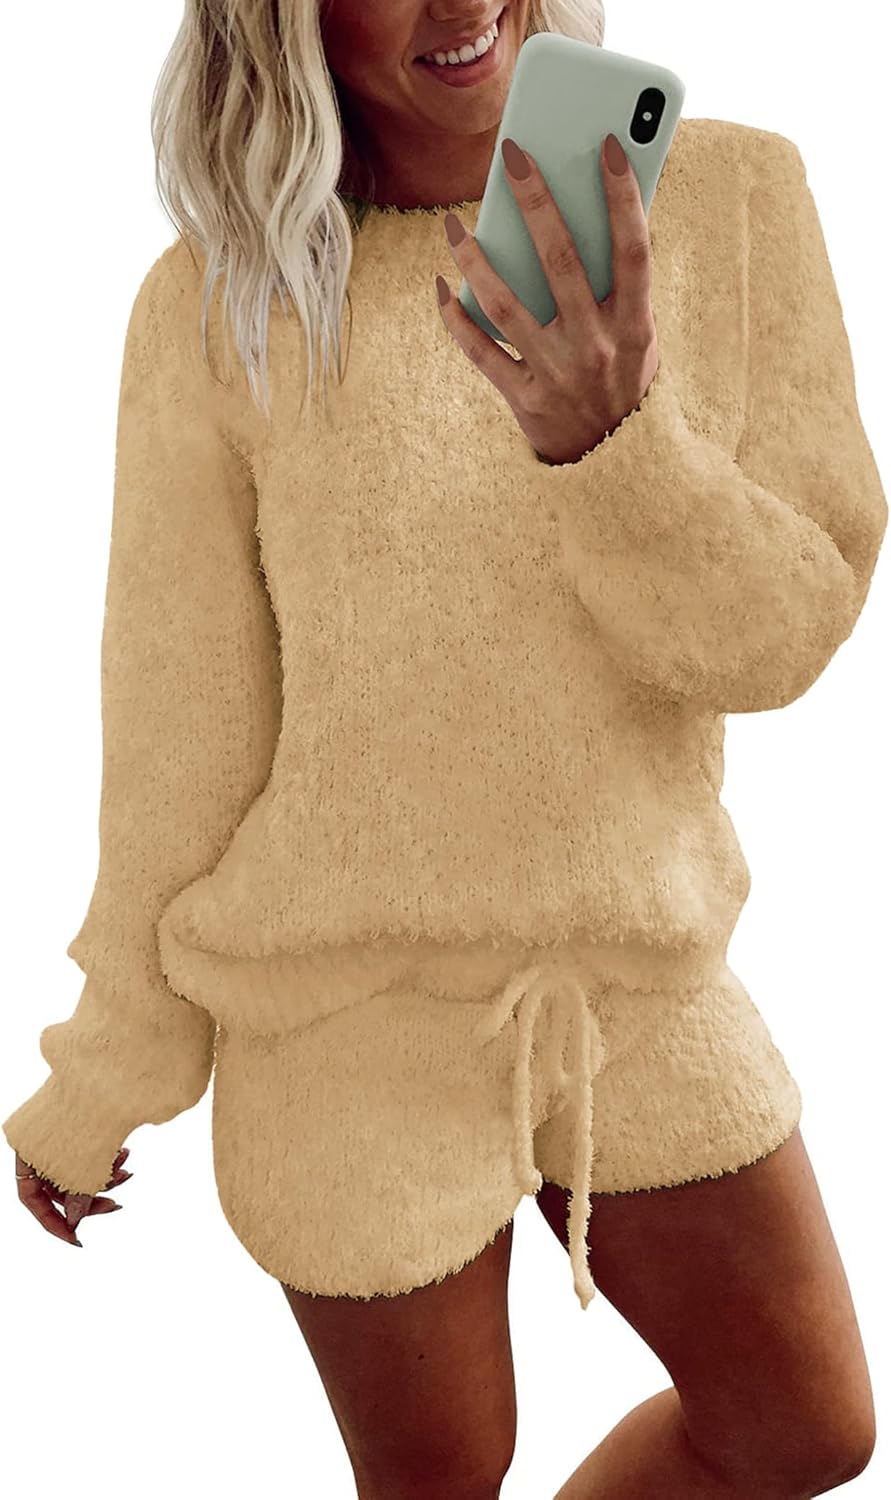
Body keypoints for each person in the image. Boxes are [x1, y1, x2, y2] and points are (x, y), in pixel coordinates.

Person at [5, 4, 886, 1497]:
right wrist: (109, 1068)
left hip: (636, 979)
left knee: (806, 1427)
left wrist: (611, 447)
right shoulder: (220, 305)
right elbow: (178, 734)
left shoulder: (732, 201)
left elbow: (781, 641)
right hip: (340, 1013)